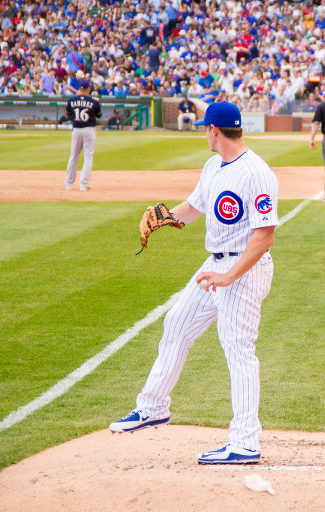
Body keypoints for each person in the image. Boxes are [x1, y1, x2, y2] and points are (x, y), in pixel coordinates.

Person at [109, 102, 279, 466]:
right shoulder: (213, 165)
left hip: (243, 268)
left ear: (214, 130)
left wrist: (229, 277)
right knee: (177, 325)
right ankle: (152, 407)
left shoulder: (257, 174)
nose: (204, 132)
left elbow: (264, 236)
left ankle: (245, 442)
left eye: (206, 128)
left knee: (237, 348)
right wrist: (164, 218)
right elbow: (195, 206)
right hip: (214, 265)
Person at [64, 79, 101, 191]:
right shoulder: (93, 101)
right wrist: (96, 103)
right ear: (88, 89)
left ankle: (68, 184)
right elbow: (99, 115)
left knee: (73, 156)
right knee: (88, 156)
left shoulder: (72, 100)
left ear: (79, 88)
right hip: (89, 129)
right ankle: (83, 185)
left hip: (76, 130)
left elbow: (67, 114)